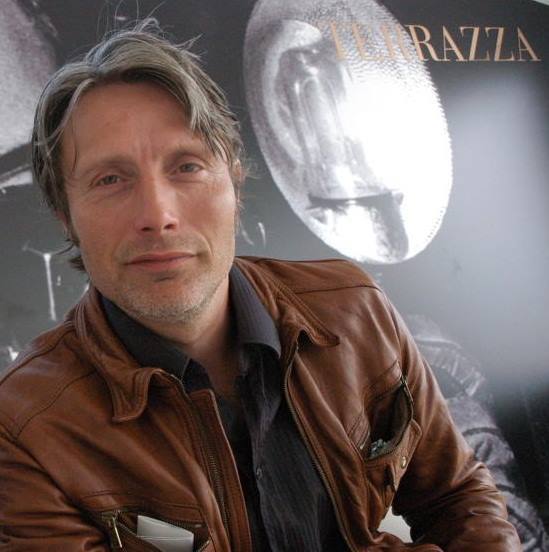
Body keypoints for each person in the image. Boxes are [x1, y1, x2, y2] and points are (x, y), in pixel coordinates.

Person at [0, 21, 521, 551]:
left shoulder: (355, 308)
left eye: (187, 166)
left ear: (234, 179)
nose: (158, 215)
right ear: (65, 214)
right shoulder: (24, 425)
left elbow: (459, 496)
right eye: (110, 179)